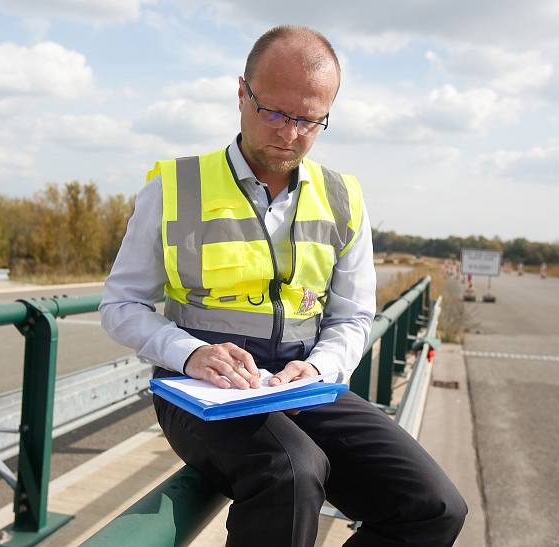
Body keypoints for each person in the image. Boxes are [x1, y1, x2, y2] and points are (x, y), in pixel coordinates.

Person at [100, 25, 466, 547]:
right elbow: (121, 305)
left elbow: (353, 316)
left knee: (433, 507)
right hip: (202, 388)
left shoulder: (344, 198)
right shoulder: (174, 187)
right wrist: (189, 353)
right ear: (241, 92)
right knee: (291, 472)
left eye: (309, 120)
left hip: (302, 379)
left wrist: (320, 366)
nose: (289, 134)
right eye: (273, 111)